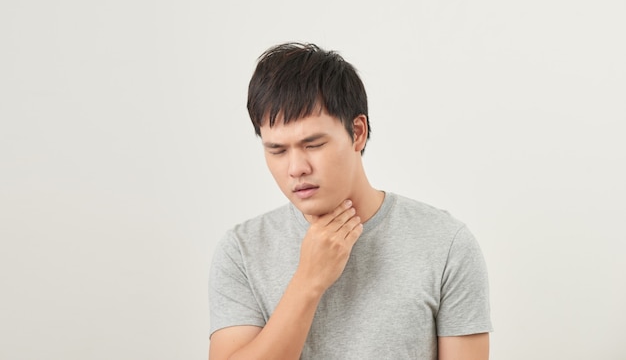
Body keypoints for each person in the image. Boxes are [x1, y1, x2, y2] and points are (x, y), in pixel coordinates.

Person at [208, 43, 492, 360]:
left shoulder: (446, 245)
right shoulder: (241, 251)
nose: (295, 168)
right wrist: (308, 281)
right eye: (277, 150)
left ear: (357, 132)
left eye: (312, 144)